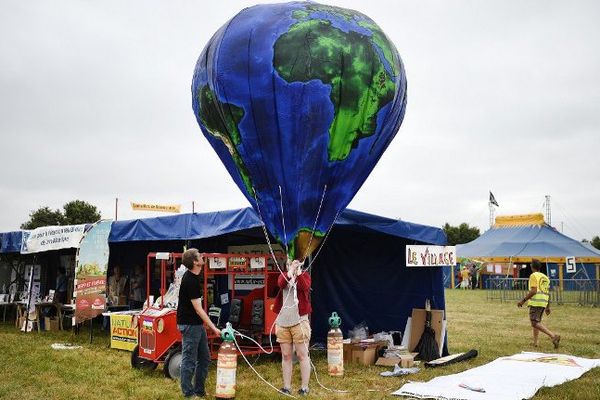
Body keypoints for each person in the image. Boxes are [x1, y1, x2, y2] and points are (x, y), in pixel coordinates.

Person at [177, 248, 221, 398]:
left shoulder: (194, 277)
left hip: (196, 324)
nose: (203, 256)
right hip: (190, 325)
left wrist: (206, 324)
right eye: (199, 256)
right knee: (189, 359)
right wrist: (213, 327)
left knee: (204, 358)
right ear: (195, 262)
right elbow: (198, 309)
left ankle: (199, 390)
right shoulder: (190, 280)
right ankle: (188, 393)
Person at [273, 259, 312, 396]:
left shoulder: (305, 276)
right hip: (283, 321)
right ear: (287, 265)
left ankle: (304, 387)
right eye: (290, 263)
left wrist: (299, 273)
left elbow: (304, 287)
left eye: (295, 263)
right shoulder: (284, 275)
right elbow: (280, 283)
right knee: (286, 355)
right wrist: (290, 272)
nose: (293, 266)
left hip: (299, 321)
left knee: (302, 355)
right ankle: (287, 386)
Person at [517, 259, 560, 349]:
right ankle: (535, 343)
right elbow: (547, 292)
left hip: (536, 302)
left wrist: (523, 300)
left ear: (532, 266)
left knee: (534, 323)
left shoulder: (533, 276)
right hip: (543, 301)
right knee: (537, 322)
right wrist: (547, 307)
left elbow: (534, 291)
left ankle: (553, 336)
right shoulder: (545, 277)